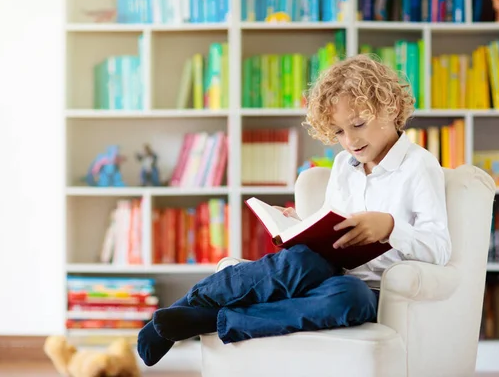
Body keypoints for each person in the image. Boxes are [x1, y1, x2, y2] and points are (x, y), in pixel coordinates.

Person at [136, 53, 452, 367]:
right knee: (301, 261)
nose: (350, 140)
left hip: (370, 290)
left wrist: (389, 227)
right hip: (328, 271)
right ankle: (192, 301)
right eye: (339, 131)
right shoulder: (344, 165)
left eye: (358, 124)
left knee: (348, 298)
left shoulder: (419, 166)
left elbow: (439, 248)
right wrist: (299, 224)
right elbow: (334, 222)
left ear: (390, 109)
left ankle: (211, 319)